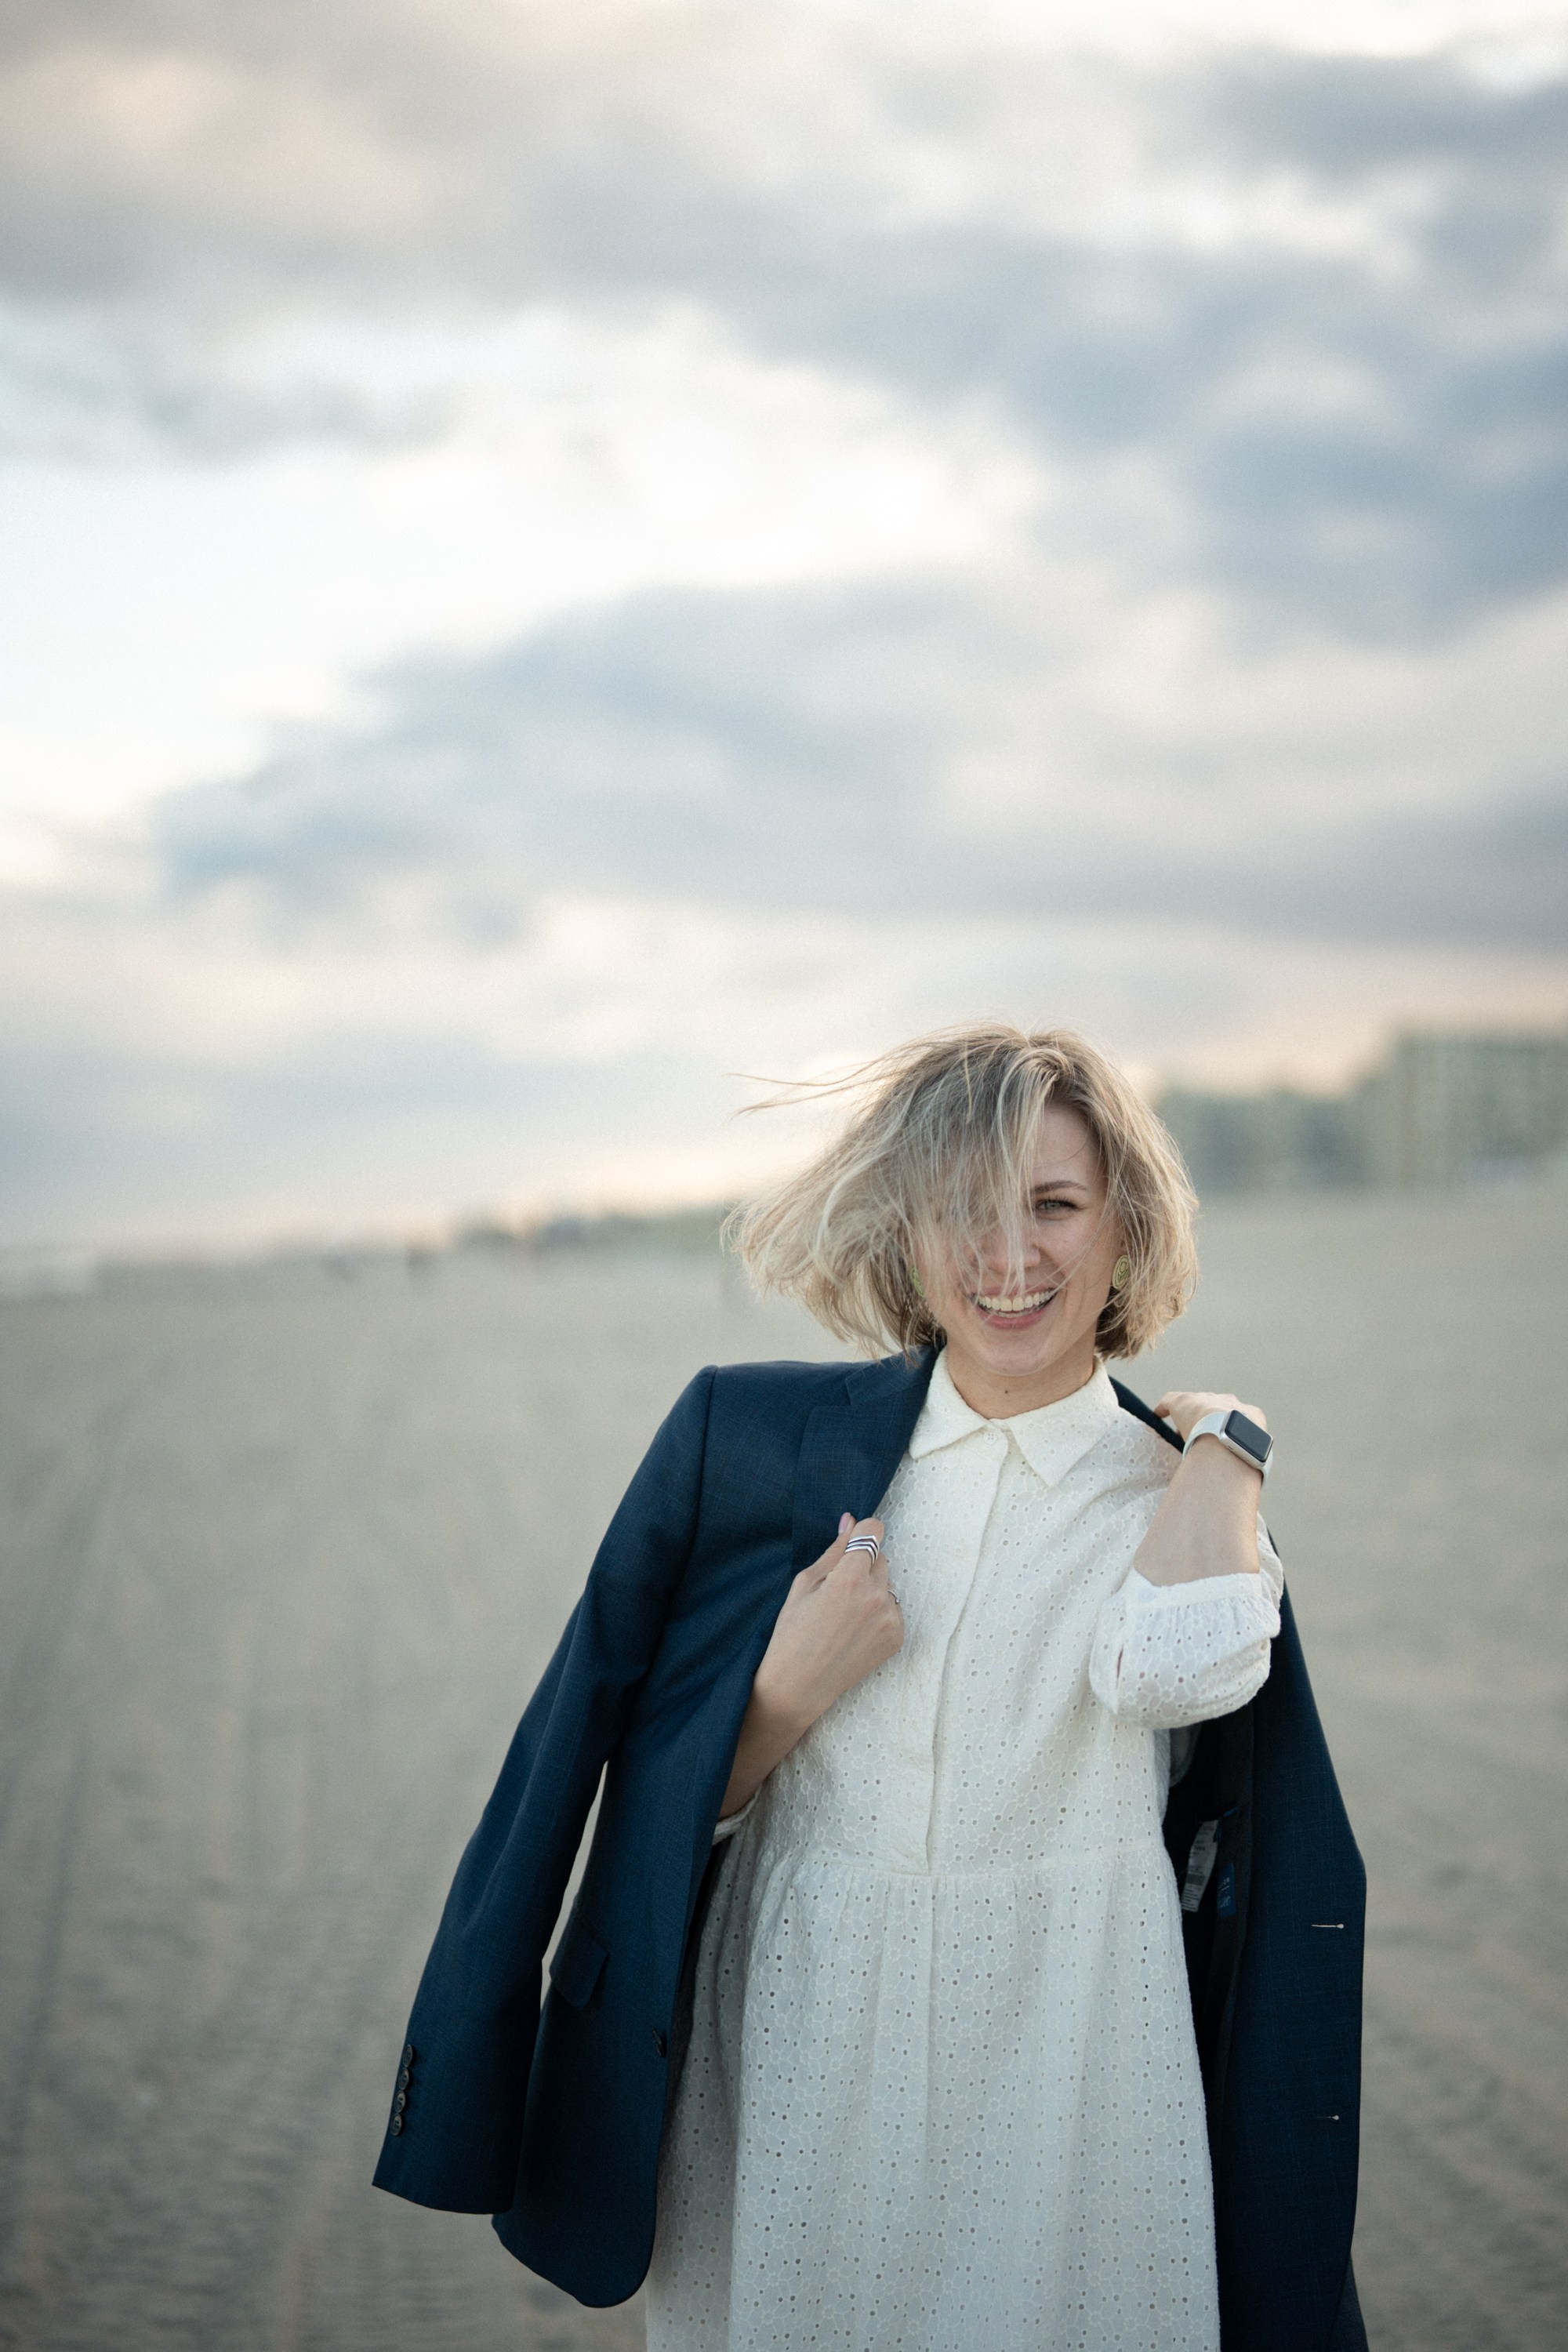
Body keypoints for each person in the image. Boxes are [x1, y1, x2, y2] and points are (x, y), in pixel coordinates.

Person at [374, 1025, 1366, 2352]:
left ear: (1126, 1225)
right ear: (904, 1234)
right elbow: (572, 1756)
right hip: (797, 2051)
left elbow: (1183, 1673)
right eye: (962, 1211)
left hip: (1078, 2065)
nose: (1009, 1258)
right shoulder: (748, 1437)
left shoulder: (1181, 1507)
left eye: (1055, 1205)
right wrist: (773, 1707)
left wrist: (1230, 1447)